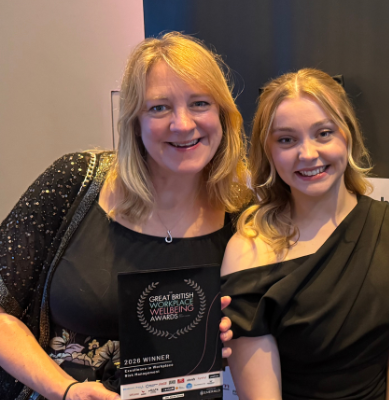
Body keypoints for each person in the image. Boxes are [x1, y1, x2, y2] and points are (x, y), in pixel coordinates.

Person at [0, 32, 250, 400]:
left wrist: (234, 339)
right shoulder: (77, 181)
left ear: (223, 115)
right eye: (159, 108)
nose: (182, 124)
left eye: (199, 103)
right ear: (134, 120)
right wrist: (65, 391)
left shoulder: (243, 213)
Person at [220, 68, 389, 400]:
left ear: (347, 135)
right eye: (287, 139)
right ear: (269, 151)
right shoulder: (247, 251)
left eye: (323, 133)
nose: (308, 154)